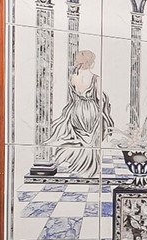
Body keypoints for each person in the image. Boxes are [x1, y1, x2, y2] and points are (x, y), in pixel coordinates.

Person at [42, 47, 112, 177]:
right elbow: (99, 99)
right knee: (90, 138)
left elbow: (72, 97)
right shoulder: (95, 78)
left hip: (76, 109)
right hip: (90, 109)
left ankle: (79, 166)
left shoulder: (73, 77)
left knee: (80, 137)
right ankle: (89, 169)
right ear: (90, 62)